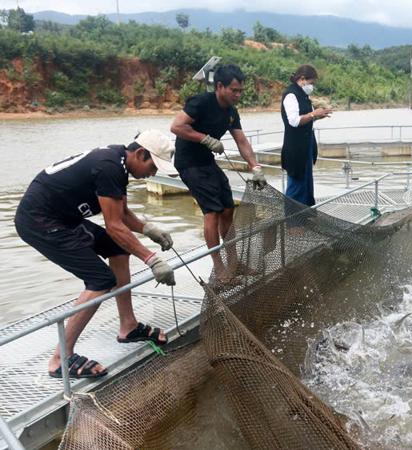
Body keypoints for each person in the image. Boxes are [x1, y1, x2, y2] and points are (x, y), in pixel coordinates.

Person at [14, 130, 179, 379]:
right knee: (101, 279)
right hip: (40, 222)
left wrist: (148, 229)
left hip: (65, 218)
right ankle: (61, 359)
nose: (153, 173)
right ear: (140, 154)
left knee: (118, 248)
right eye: (153, 166)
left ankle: (128, 326)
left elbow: (122, 214)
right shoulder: (110, 166)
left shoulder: (118, 162)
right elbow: (114, 226)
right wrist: (152, 259)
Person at [170, 64, 266, 281]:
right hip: (189, 163)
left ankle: (234, 262)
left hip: (207, 161)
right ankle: (219, 268)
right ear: (220, 86)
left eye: (241, 91)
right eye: (234, 90)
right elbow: (176, 126)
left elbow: (241, 140)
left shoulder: (231, 112)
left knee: (228, 208)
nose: (238, 95)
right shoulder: (201, 102)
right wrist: (204, 138)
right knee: (212, 211)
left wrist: (255, 167)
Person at [280, 64, 333, 207]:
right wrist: (314, 114)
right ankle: (292, 218)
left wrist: (318, 116)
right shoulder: (291, 95)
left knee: (306, 184)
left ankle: (305, 215)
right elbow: (294, 121)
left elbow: (306, 118)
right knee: (296, 185)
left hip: (306, 145)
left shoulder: (303, 95)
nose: (312, 86)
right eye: (311, 83)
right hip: (296, 147)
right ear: (302, 79)